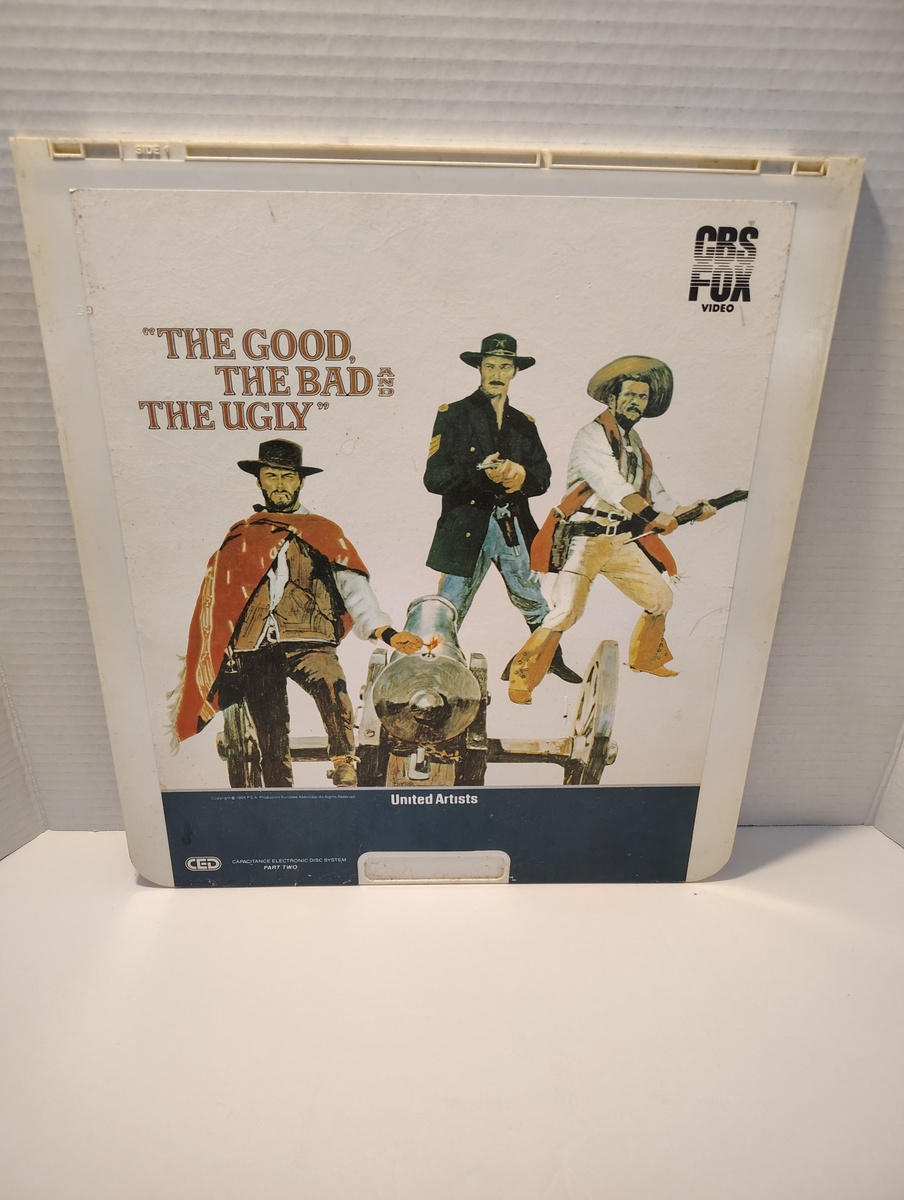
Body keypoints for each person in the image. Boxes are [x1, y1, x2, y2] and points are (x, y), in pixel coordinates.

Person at [173, 439, 422, 787]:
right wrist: (225, 649)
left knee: (330, 682)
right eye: (271, 476)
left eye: (287, 476)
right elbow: (220, 601)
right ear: (259, 481)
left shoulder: (324, 531)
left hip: (309, 637)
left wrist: (387, 633)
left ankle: (343, 760)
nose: (279, 484)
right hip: (255, 644)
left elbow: (355, 588)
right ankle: (280, 790)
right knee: (270, 727)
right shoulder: (242, 535)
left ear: (300, 481)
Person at [508, 355, 715, 704]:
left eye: (642, 397)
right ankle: (522, 678)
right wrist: (651, 514)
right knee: (565, 612)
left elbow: (658, 495)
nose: (636, 402)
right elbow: (612, 485)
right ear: (613, 398)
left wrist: (690, 511)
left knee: (660, 598)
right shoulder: (592, 434)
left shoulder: (635, 445)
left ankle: (646, 658)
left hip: (619, 539)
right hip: (585, 538)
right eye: (630, 395)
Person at [424, 332, 580, 684]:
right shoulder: (454, 415)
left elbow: (543, 477)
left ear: (514, 371)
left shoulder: (524, 423)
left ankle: (549, 658)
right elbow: (433, 478)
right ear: (479, 368)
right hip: (466, 525)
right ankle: (432, 668)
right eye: (490, 365)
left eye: (505, 367)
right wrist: (478, 472)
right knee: (450, 602)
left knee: (531, 595)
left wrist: (521, 474)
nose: (497, 373)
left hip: (512, 525)